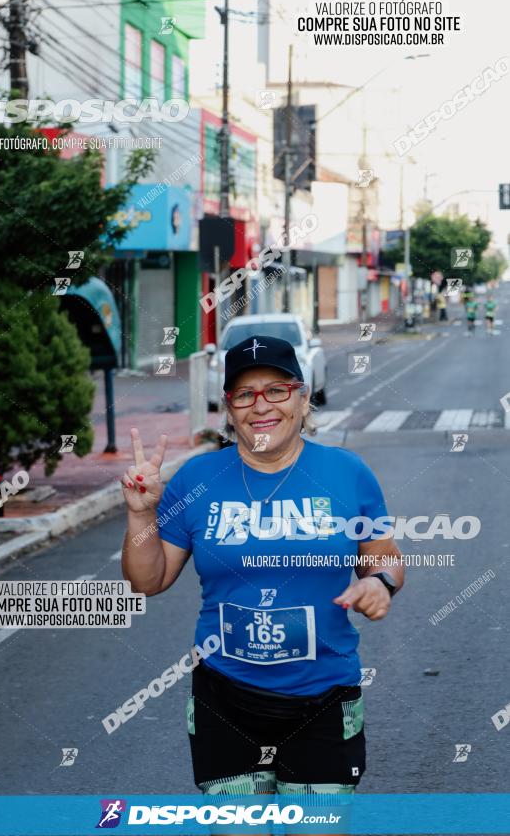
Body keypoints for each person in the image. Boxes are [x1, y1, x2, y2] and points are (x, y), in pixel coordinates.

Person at [122, 335, 404, 832]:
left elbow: (386, 560)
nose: (261, 406)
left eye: (276, 390)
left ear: (301, 396)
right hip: (226, 698)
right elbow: (149, 579)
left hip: (324, 697)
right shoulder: (197, 479)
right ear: (228, 408)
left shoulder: (347, 474)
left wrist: (379, 583)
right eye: (244, 394)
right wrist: (140, 514)